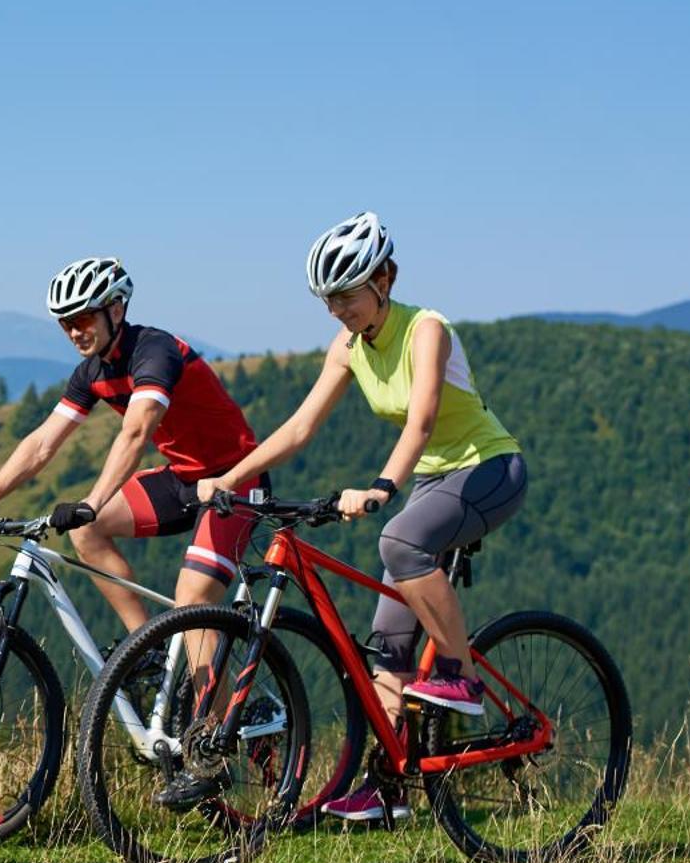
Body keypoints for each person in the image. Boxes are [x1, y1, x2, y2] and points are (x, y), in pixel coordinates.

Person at [197, 211, 528, 823]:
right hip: (432, 480)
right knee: (386, 647)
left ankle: (462, 675)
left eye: (345, 295)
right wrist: (231, 478)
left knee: (400, 539)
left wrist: (381, 487)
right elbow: (299, 427)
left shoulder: (427, 330)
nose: (335, 311)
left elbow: (423, 420)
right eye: (327, 300)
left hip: (489, 468)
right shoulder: (348, 346)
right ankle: (388, 787)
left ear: (384, 280)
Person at [0, 256, 271, 807]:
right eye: (66, 322)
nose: (75, 330)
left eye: (85, 317)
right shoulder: (92, 371)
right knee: (86, 537)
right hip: (184, 480)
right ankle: (149, 647)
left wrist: (94, 500)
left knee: (192, 596)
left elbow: (138, 430)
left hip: (237, 480)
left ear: (116, 308)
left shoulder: (155, 351)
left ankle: (210, 750)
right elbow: (44, 442)